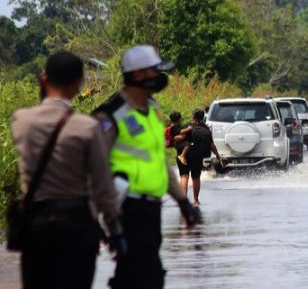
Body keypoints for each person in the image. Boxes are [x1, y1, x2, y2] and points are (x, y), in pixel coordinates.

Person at [10, 51, 124, 289]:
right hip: (77, 226)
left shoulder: (21, 121)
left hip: (36, 225)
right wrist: (114, 231)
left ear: (44, 78)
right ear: (79, 83)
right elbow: (103, 187)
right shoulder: (87, 128)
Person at [92, 44, 201, 289]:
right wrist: (111, 226)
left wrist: (182, 202)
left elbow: (159, 159)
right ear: (139, 74)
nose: (161, 77)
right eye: (155, 71)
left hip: (151, 209)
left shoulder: (152, 110)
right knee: (148, 277)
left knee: (133, 277)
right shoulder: (110, 116)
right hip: (126, 210)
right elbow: (96, 172)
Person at [177, 108, 221, 206]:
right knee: (196, 177)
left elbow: (179, 137)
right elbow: (211, 145)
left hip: (184, 154)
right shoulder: (206, 128)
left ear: (193, 116)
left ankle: (184, 201)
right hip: (197, 155)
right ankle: (196, 200)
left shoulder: (188, 126)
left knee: (184, 176)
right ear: (203, 117)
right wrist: (218, 156)